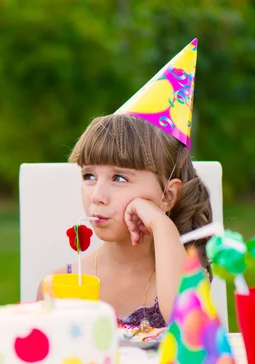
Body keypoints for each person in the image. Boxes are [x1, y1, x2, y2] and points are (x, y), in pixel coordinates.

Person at [37, 39, 211, 328]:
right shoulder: (59, 286)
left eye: (119, 178)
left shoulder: (180, 275)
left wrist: (162, 224)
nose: (97, 196)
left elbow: (190, 332)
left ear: (167, 196)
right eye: (88, 176)